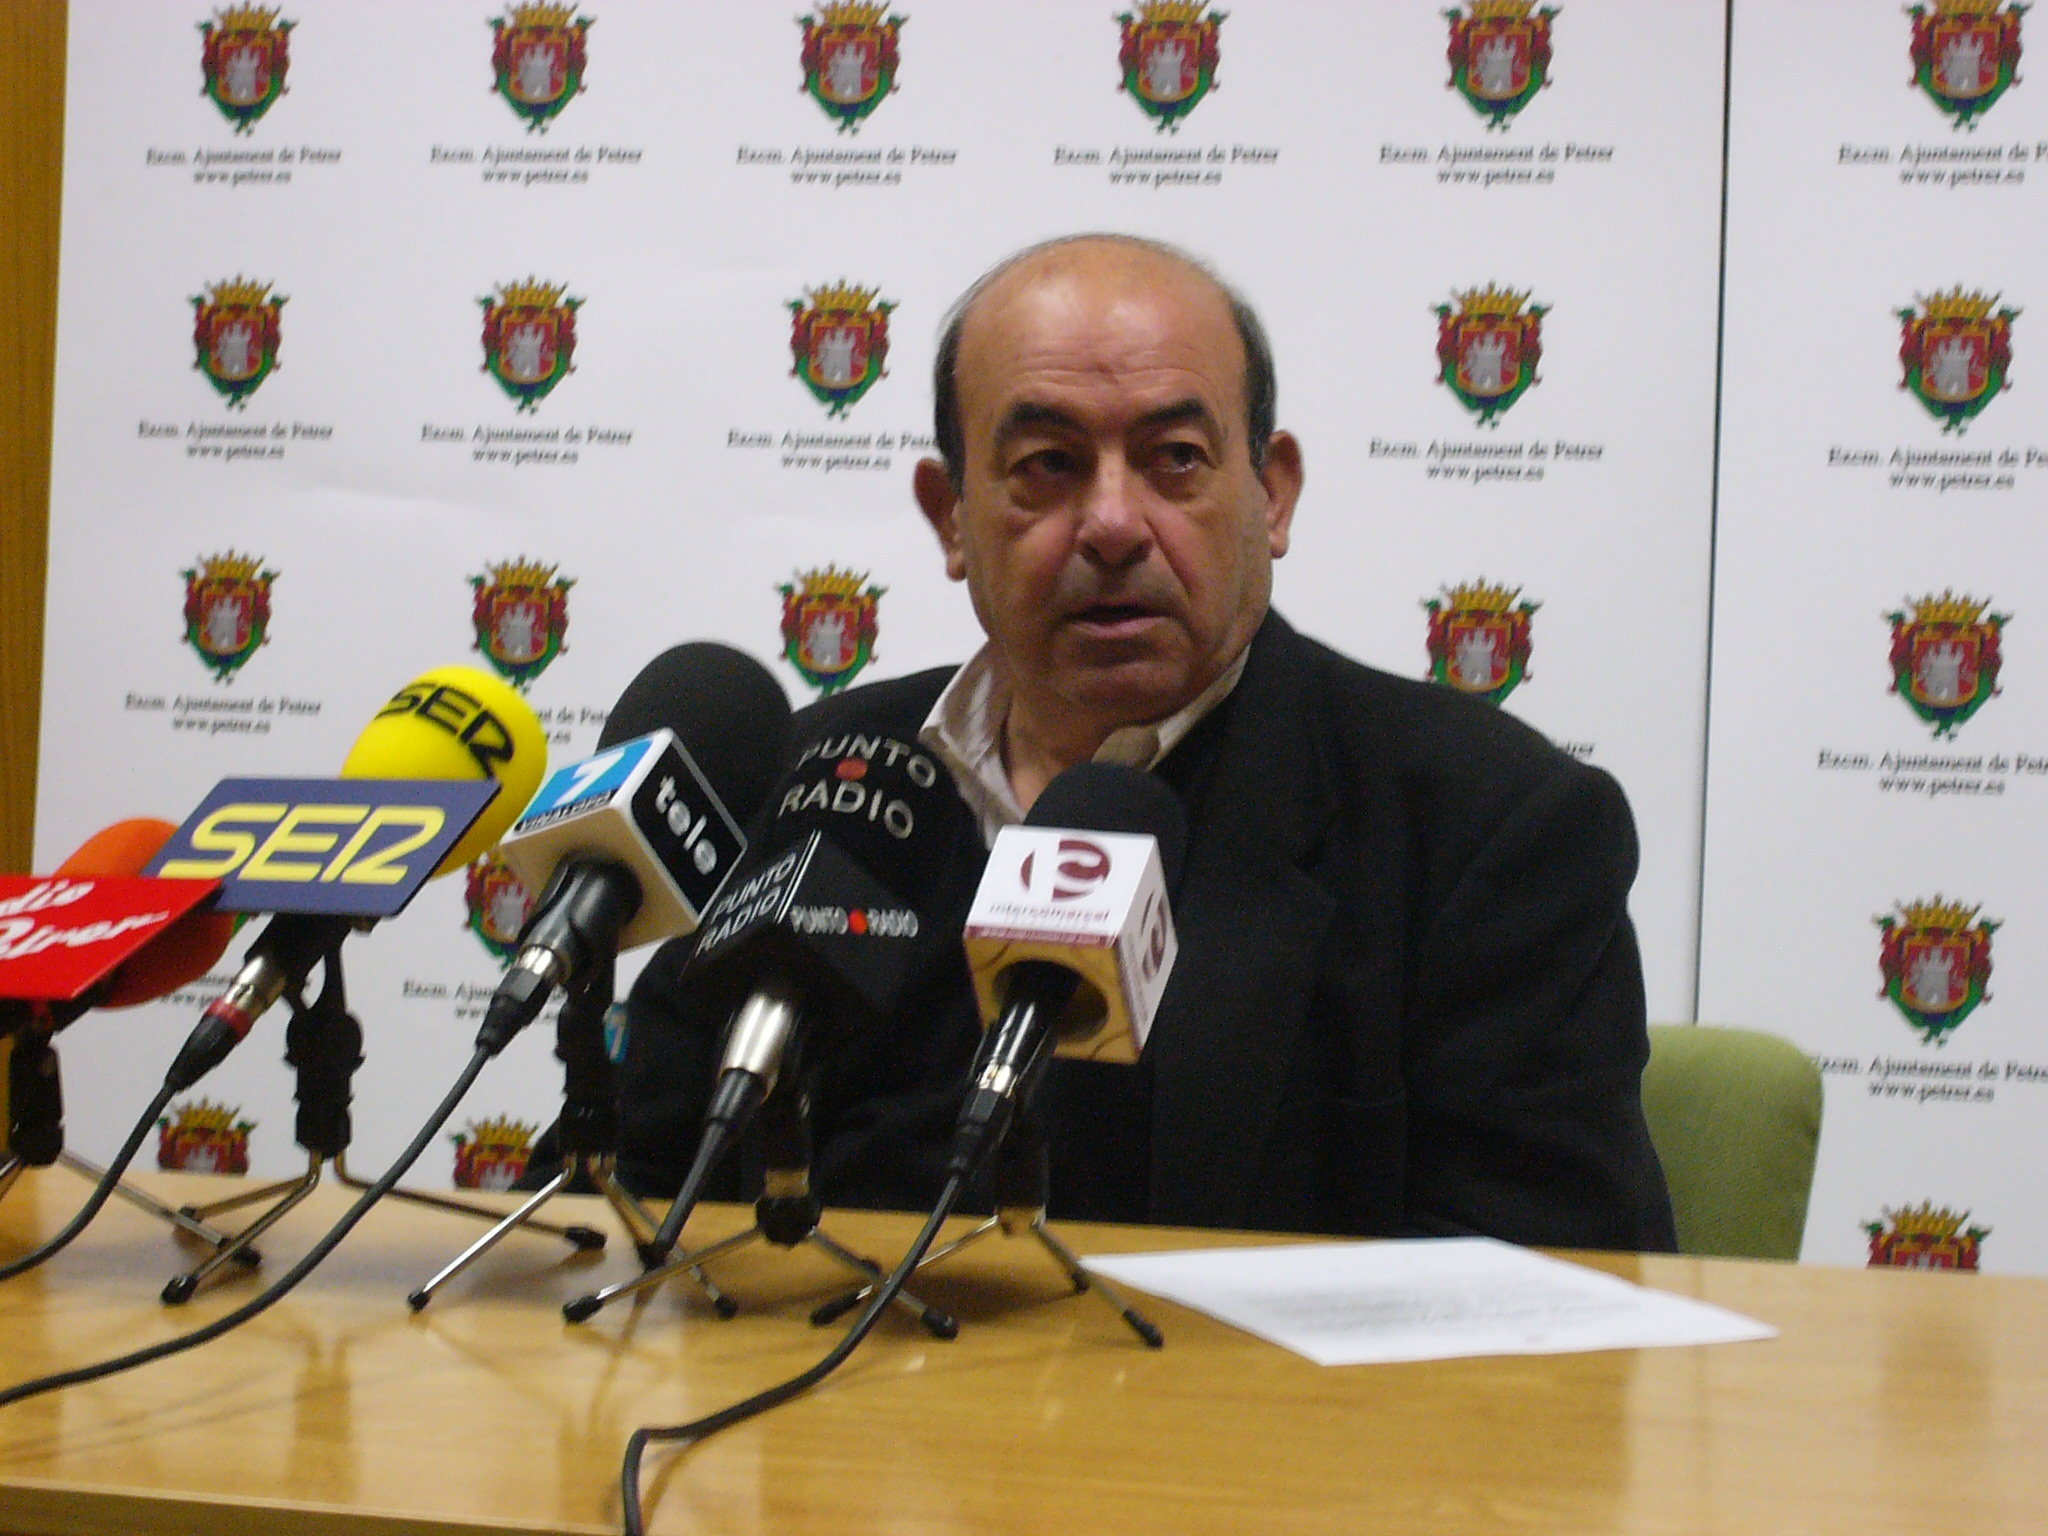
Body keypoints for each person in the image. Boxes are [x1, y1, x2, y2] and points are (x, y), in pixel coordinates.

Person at [617, 234, 1676, 1252]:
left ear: (1270, 496)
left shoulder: (1485, 826)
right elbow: (638, 1193)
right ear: (950, 516)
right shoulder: (811, 783)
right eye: (1047, 465)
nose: (1114, 524)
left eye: (1175, 460)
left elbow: (1555, 1290)